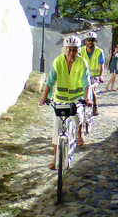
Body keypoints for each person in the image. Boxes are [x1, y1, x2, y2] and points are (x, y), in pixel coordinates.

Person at [38, 35, 93, 170]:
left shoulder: (82, 62)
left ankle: (79, 132)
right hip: (60, 99)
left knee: (77, 116)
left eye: (74, 50)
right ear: (64, 50)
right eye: (68, 50)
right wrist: (45, 96)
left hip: (76, 97)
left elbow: (86, 83)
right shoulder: (58, 61)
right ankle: (56, 158)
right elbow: (50, 81)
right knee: (56, 129)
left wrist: (87, 98)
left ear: (78, 50)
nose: (71, 53)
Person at [80, 31, 105, 116]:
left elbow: (101, 65)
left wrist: (101, 76)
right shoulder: (81, 51)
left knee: (91, 88)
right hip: (83, 74)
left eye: (92, 40)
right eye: (88, 40)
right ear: (85, 42)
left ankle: (95, 106)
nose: (90, 42)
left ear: (95, 42)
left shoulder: (99, 51)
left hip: (95, 76)